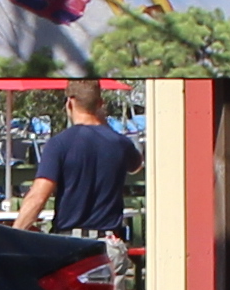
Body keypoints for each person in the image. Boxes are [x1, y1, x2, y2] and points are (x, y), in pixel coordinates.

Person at [12, 81, 141, 241]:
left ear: (69, 103)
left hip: (70, 241)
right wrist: (105, 124)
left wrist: (14, 235)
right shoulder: (120, 143)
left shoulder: (59, 144)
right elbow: (136, 166)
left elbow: (38, 196)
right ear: (100, 104)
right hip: (109, 243)